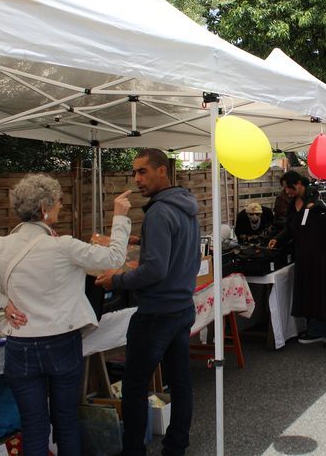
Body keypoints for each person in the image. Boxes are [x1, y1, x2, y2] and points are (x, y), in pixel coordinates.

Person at [0, 175, 132, 456]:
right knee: (66, 420)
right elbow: (115, 258)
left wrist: (3, 303)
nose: (61, 206)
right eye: (59, 202)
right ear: (45, 208)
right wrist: (119, 217)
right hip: (62, 341)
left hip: (20, 345)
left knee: (33, 425)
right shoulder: (63, 246)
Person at [94, 148, 200, 456]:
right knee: (180, 381)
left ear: (162, 170)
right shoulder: (185, 205)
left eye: (143, 171)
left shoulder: (158, 212)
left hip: (157, 312)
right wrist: (142, 241)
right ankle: (176, 446)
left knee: (134, 386)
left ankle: (133, 451)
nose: (137, 179)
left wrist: (117, 279)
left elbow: (155, 270)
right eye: (135, 172)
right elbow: (180, 248)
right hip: (182, 307)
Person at [268, 171, 325, 342]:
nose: (287, 191)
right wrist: (277, 239)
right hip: (301, 252)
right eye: (285, 188)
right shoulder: (293, 203)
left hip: (317, 253)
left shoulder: (316, 196)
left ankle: (317, 329)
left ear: (299, 183)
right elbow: (290, 227)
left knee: (316, 289)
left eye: (288, 187)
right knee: (305, 289)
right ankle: (310, 327)